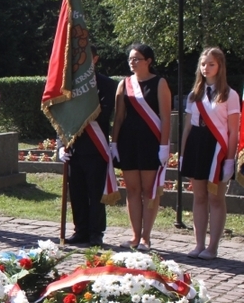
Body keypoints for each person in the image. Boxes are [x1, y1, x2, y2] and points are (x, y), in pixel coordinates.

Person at [179, 47, 240, 260]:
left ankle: (212, 247)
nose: (206, 68)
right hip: (197, 145)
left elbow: (233, 131)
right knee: (199, 196)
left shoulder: (230, 95)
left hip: (217, 149)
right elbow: (188, 127)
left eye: (211, 64)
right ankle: (199, 244)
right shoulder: (194, 95)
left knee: (215, 197)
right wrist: (183, 155)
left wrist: (230, 160)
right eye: (203, 64)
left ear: (220, 66)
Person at [110, 43, 171, 251]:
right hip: (128, 141)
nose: (132, 62)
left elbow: (165, 117)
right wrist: (114, 142)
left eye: (136, 59)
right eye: (130, 59)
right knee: (133, 189)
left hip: (150, 141)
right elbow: (119, 117)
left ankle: (146, 237)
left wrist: (164, 145)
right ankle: (135, 236)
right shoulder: (124, 84)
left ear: (148, 61)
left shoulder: (159, 83)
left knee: (149, 189)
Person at [59, 46, 118, 246]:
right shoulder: (68, 84)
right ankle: (81, 230)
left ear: (95, 59)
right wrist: (61, 145)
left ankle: (96, 232)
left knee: (95, 193)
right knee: (77, 193)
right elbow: (60, 117)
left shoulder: (106, 84)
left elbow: (103, 113)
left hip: (95, 147)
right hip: (74, 148)